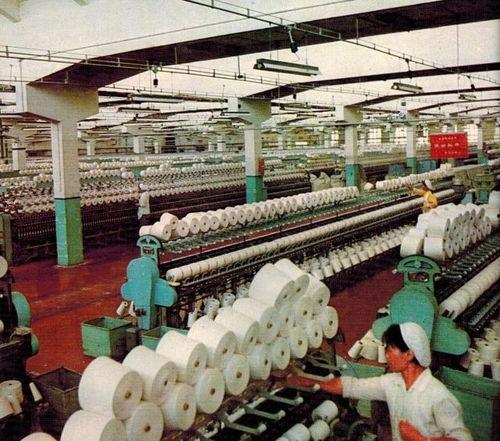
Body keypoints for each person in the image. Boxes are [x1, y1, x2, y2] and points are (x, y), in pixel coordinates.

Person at [289, 323, 472, 441]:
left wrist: (420, 439)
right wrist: (310, 381)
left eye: (390, 349)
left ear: (409, 354)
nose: (386, 355)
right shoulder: (393, 383)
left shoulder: (438, 396)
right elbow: (352, 386)